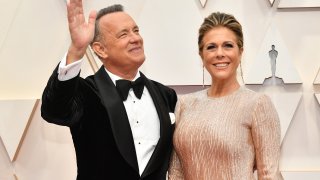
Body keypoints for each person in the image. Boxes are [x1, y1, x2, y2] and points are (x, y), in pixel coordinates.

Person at [41, 1, 177, 180]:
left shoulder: (166, 95)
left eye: (136, 31)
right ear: (100, 49)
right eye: (123, 34)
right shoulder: (86, 92)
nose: (136, 38)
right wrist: (77, 50)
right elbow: (54, 111)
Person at [168, 12, 283, 179]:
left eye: (228, 45)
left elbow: (269, 174)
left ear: (240, 52)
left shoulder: (257, 104)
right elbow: (175, 172)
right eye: (211, 47)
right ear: (202, 55)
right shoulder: (185, 104)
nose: (219, 53)